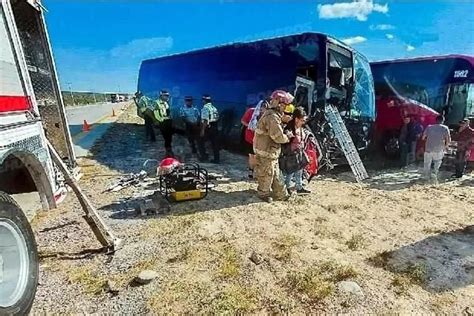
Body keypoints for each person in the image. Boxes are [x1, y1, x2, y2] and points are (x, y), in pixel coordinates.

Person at [253, 90, 294, 203]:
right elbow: (278, 137)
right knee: (267, 174)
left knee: (275, 174)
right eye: (285, 105)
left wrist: (284, 122)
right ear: (279, 104)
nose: (286, 108)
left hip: (269, 151)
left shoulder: (273, 115)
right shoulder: (272, 117)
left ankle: (282, 194)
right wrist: (288, 136)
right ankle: (263, 194)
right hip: (266, 151)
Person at [279, 107, 311, 195]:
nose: (303, 122)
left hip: (299, 153)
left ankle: (299, 187)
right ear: (296, 119)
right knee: (290, 172)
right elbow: (285, 140)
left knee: (299, 170)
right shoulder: (289, 129)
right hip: (291, 155)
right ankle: (286, 188)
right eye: (302, 120)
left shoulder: (300, 128)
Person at [241, 100, 269, 178]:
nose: (262, 110)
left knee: (259, 156)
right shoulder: (251, 111)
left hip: (261, 139)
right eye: (261, 108)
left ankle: (257, 171)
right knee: (251, 155)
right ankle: (251, 170)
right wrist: (250, 126)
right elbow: (243, 121)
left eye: (264, 108)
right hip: (250, 137)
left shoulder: (268, 116)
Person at [422, 115, 451, 182]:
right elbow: (448, 140)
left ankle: (426, 177)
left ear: (435, 120)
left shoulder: (429, 127)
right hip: (439, 149)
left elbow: (423, 137)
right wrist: (446, 147)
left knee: (427, 163)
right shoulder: (445, 128)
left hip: (428, 148)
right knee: (437, 162)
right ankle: (434, 174)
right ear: (443, 121)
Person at [198, 95, 220, 163]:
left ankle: (203, 157)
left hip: (208, 127)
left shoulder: (205, 108)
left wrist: (202, 130)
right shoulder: (214, 108)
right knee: (215, 144)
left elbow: (205, 120)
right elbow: (217, 118)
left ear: (204, 100)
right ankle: (217, 159)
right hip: (215, 127)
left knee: (200, 142)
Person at [154, 90, 174, 157]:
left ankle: (169, 151)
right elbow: (156, 114)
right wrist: (161, 121)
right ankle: (168, 152)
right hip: (162, 122)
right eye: (166, 95)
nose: (167, 97)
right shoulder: (156, 103)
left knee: (169, 137)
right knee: (166, 137)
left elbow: (168, 111)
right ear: (161, 96)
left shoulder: (166, 103)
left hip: (168, 121)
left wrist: (169, 117)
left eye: (168, 95)